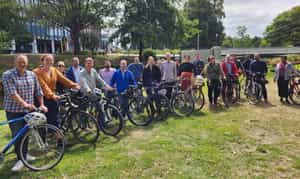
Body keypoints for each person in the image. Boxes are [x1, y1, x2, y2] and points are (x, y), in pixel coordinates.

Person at [2, 54, 47, 172]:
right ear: (15, 63)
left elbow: (38, 91)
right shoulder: (7, 75)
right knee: (18, 135)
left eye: (24, 62)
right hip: (14, 111)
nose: (22, 64)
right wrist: (25, 104)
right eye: (19, 62)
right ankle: (20, 159)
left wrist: (41, 104)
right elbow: (12, 93)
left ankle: (24, 155)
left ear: (27, 63)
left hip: (28, 111)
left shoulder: (31, 74)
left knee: (26, 133)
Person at [33, 54, 80, 127]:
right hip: (42, 98)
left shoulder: (54, 70)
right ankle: (48, 132)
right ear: (42, 61)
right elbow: (43, 86)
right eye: (47, 60)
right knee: (45, 119)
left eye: (51, 60)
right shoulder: (37, 72)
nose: (49, 62)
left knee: (55, 116)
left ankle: (55, 133)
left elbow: (63, 79)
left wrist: (74, 85)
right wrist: (52, 95)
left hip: (53, 97)